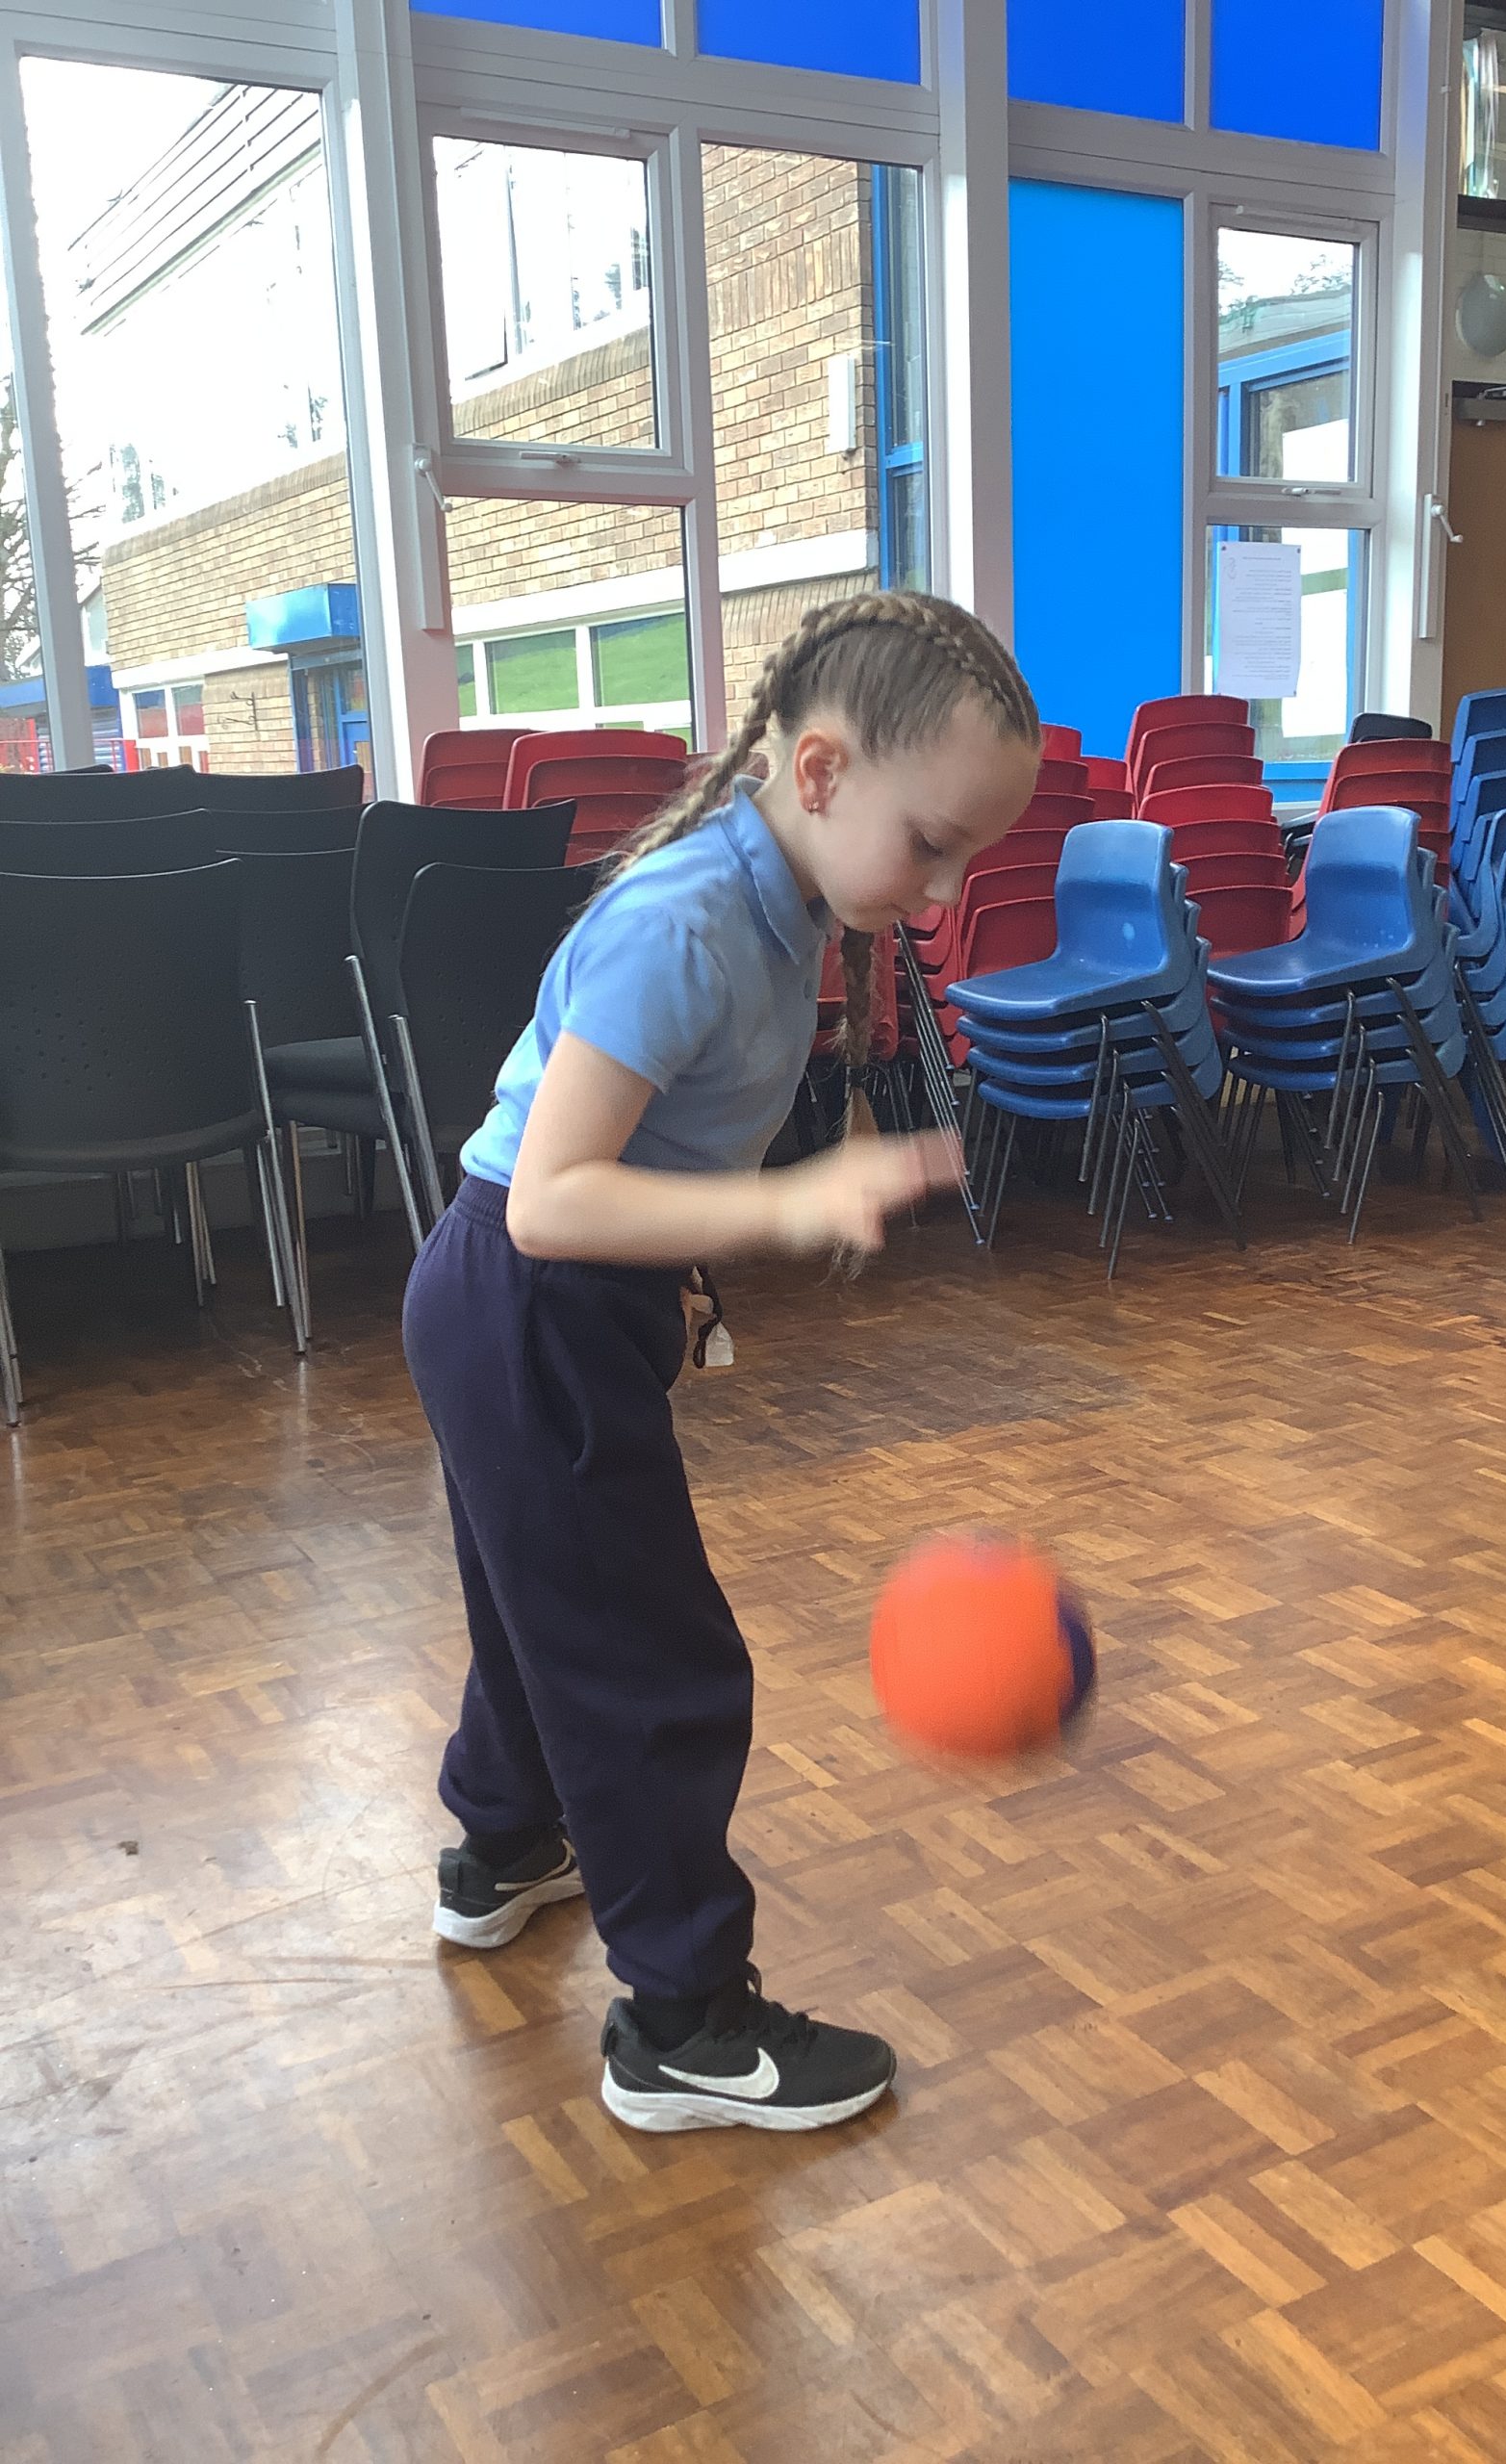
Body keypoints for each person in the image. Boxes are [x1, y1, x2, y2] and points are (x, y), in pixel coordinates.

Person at [402, 591, 1041, 2134]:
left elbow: (639, 1159)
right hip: (529, 1295)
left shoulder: (788, 899)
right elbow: (551, 1198)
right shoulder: (685, 921)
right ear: (818, 772)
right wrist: (781, 1207)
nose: (944, 893)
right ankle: (683, 2025)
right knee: (655, 1668)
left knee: (544, 1612)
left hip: (532, 1305)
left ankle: (502, 1851)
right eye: (931, 846)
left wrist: (682, 1273)